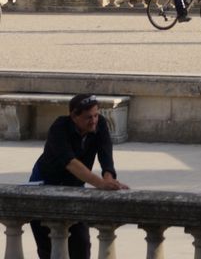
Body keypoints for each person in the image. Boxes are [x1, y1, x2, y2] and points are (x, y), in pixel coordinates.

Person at [29, 93, 130, 259]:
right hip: (44, 184)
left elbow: (105, 153)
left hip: (75, 185)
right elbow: (70, 163)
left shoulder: (100, 124)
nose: (94, 121)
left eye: (96, 115)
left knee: (81, 245)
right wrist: (100, 183)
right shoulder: (59, 127)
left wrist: (109, 177)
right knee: (47, 246)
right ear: (73, 117)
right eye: (88, 117)